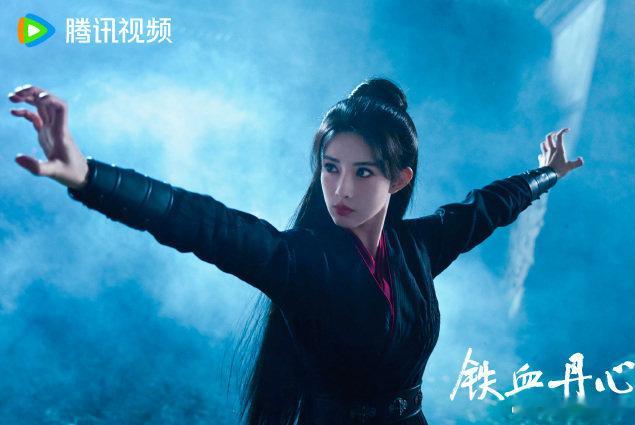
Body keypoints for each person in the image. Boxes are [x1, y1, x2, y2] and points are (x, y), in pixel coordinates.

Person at [8, 78, 584, 425]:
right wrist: (88, 176)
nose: (341, 188)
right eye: (331, 168)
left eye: (363, 172)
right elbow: (203, 224)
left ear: (400, 179)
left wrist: (547, 175)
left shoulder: (418, 247)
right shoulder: (301, 262)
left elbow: (488, 205)